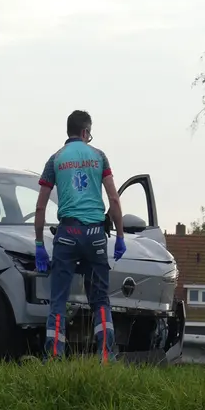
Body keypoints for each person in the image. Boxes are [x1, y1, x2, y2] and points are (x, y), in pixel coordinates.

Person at [33, 110, 127, 364]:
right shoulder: (99, 156)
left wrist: (40, 245)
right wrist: (119, 235)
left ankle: (54, 356)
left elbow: (40, 206)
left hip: (68, 234)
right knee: (100, 299)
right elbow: (114, 199)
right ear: (85, 132)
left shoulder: (55, 159)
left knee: (59, 299)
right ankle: (106, 355)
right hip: (96, 234)